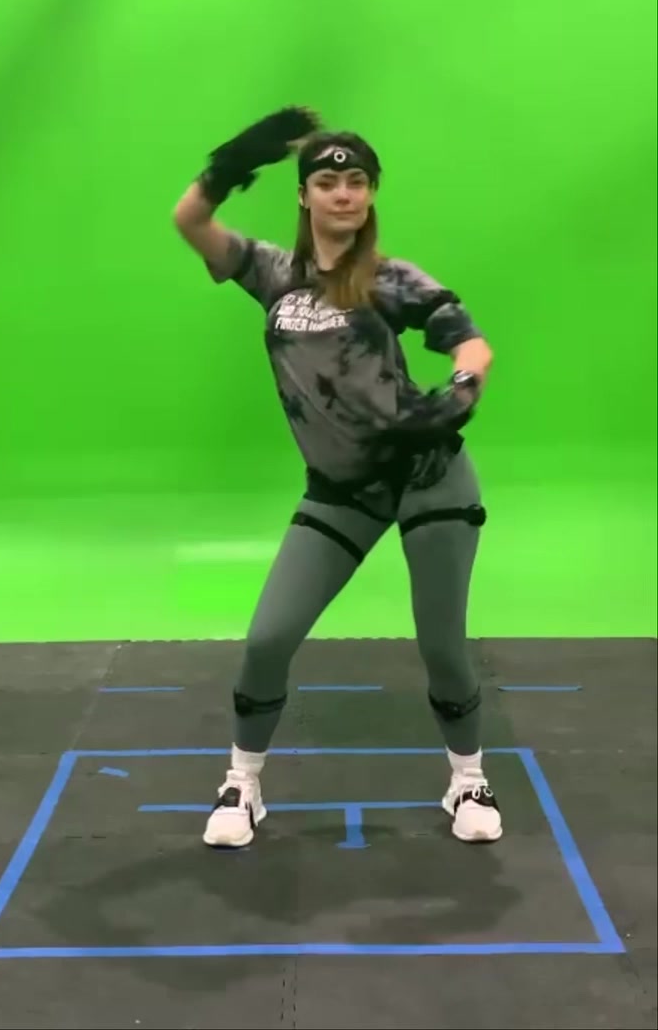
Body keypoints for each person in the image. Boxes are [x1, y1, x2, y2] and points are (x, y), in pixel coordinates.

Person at [173, 107, 501, 849]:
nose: (344, 194)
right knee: (268, 639)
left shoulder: (391, 278)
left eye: (357, 183)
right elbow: (190, 221)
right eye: (327, 183)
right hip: (341, 489)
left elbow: (472, 345)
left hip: (428, 474)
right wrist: (230, 165)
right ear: (304, 195)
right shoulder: (272, 273)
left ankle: (468, 780)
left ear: (371, 193)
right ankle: (242, 785)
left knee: (442, 646)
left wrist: (459, 394)